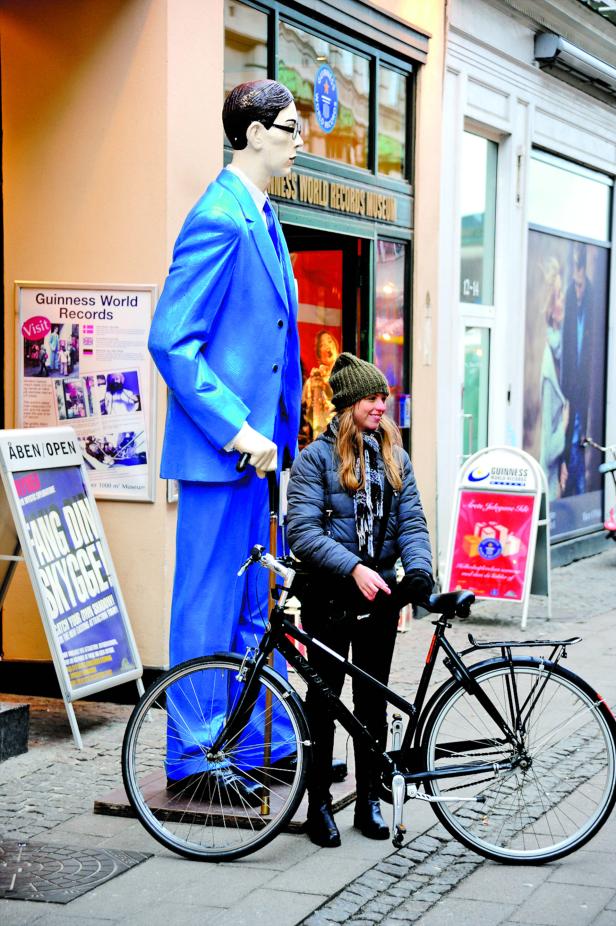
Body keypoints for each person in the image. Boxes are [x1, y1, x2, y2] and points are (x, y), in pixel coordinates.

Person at [148, 79, 303, 805]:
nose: (300, 138)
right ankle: (196, 753)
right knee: (209, 600)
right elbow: (172, 341)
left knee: (250, 601)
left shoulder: (261, 216)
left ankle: (248, 738)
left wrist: (276, 435)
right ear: (251, 133)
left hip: (257, 457)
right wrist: (237, 426)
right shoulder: (219, 216)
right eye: (290, 126)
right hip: (224, 453)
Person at [286, 353, 433, 848]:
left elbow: (412, 521)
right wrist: (353, 566)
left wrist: (418, 571)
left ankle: (370, 798)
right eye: (372, 398)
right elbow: (301, 533)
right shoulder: (315, 460)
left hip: (380, 597)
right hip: (328, 595)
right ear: (348, 404)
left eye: (383, 398)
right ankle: (318, 806)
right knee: (323, 699)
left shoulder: (395, 456)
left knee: (372, 698)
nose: (380, 407)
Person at [561, 242, 594, 497]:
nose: (578, 290)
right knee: (571, 441)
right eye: (576, 284)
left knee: (579, 440)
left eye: (581, 284)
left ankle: (578, 491)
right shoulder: (571, 297)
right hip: (571, 388)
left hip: (584, 388)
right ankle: (574, 488)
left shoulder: (590, 299)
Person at [539, 258, 569, 500]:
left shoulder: (562, 352)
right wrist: (566, 423)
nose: (563, 302)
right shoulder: (549, 366)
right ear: (551, 306)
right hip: (549, 488)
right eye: (558, 296)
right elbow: (548, 451)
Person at [302, 330, 339, 439]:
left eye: (330, 341)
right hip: (320, 439)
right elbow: (306, 417)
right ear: (319, 354)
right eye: (323, 344)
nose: (328, 346)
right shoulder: (312, 381)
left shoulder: (346, 376)